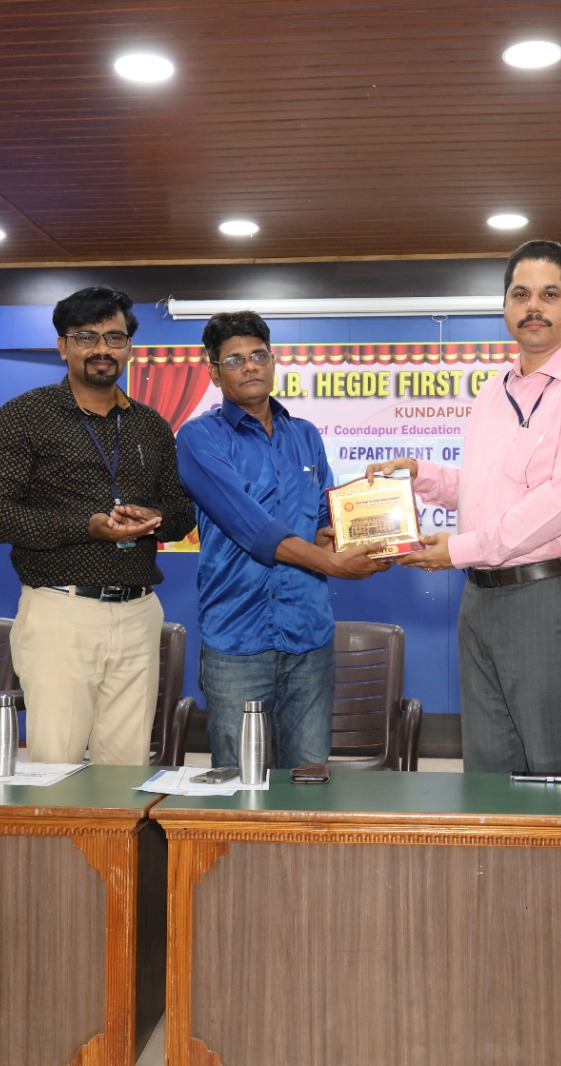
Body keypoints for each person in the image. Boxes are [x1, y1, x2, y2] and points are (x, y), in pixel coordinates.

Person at [368, 240, 561, 774]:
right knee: (487, 769)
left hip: (545, 597)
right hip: (480, 600)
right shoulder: (493, 391)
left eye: (549, 295)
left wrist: (459, 550)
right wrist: (421, 476)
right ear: (506, 306)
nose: (534, 307)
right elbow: (485, 489)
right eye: (520, 294)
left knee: (553, 767)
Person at [0, 286, 195, 764]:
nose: (101, 349)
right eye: (86, 337)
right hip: (61, 611)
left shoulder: (151, 425)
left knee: (126, 768)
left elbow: (181, 514)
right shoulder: (23, 416)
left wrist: (155, 519)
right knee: (56, 765)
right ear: (63, 346)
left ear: (129, 347)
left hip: (139, 612)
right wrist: (86, 526)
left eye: (114, 338)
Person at [177, 311, 390, 770]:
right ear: (214, 372)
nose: (250, 366)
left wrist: (375, 538)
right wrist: (332, 564)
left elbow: (323, 520)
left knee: (309, 778)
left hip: (308, 635)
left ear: (273, 362)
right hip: (236, 639)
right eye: (234, 360)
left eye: (259, 355)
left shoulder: (306, 436)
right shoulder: (198, 437)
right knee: (240, 781)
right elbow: (250, 527)